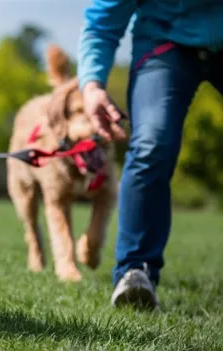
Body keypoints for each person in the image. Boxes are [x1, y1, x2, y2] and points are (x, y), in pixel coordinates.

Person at [76, 0, 223, 308]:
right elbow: (102, 22)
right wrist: (92, 86)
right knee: (151, 143)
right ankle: (135, 270)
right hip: (164, 40)